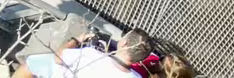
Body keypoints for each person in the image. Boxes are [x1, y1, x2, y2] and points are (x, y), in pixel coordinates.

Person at [16, 31, 194, 77]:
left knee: (32, 63)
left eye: (161, 59)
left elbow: (59, 57)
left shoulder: (89, 55)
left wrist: (76, 40)